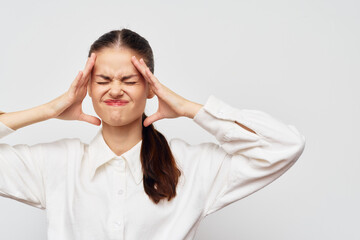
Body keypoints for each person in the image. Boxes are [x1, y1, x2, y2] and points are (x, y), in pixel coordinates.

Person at [0, 28, 306, 240]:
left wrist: (190, 108)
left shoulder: (191, 165)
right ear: (88, 88)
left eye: (130, 80)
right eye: (103, 79)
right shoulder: (55, 164)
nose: (115, 90)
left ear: (150, 87)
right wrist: (49, 109)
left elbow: (285, 146)